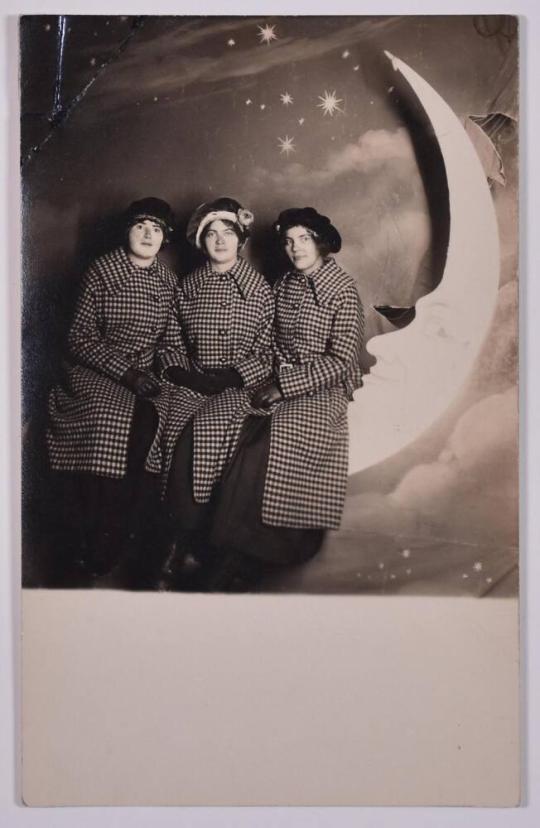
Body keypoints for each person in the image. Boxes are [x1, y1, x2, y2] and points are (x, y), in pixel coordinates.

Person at [198, 207, 365, 591]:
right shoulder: (284, 285)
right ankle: (224, 547)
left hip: (323, 386)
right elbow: (270, 339)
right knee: (234, 426)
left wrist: (285, 388)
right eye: (289, 241)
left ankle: (263, 551)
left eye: (304, 239)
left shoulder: (342, 291)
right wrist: (266, 378)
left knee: (272, 443)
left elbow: (342, 361)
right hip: (278, 378)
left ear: (320, 242)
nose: (295, 248)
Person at [46, 197, 184, 581]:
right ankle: (85, 544)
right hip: (95, 370)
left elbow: (171, 343)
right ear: (127, 231)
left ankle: (115, 542)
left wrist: (168, 373)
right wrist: (128, 375)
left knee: (155, 428)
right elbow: (79, 337)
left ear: (164, 240)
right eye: (140, 225)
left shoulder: (168, 281)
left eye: (156, 229)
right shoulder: (102, 270)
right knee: (107, 423)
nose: (147, 234)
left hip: (145, 376)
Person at [153, 197, 274, 585]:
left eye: (228, 233)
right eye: (211, 234)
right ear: (201, 243)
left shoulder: (260, 290)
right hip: (192, 379)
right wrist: (183, 374)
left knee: (202, 430)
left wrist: (230, 378)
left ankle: (192, 540)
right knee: (168, 426)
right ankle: (174, 541)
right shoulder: (187, 287)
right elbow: (171, 341)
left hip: (239, 384)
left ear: (241, 241)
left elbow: (269, 352)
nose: (220, 241)